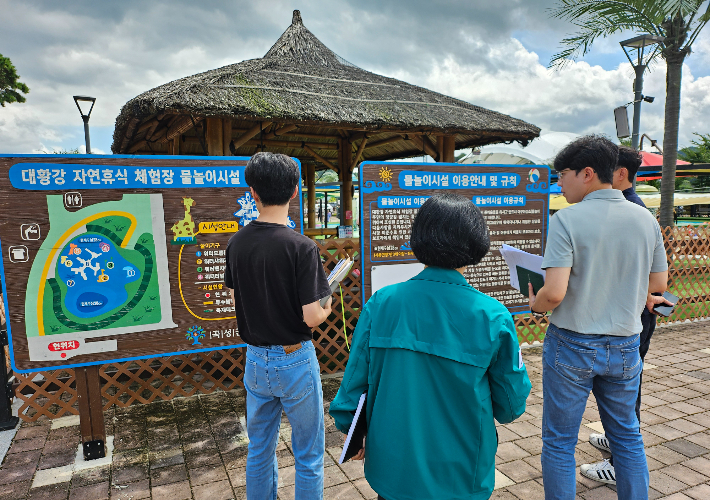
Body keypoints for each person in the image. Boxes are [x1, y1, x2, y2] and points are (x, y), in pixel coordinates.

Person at [330, 193, 531, 500]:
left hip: (392, 469)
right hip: (461, 473)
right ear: (477, 243)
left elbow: (353, 387)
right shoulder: (492, 316)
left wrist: (351, 430)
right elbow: (510, 406)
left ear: (419, 239)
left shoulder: (382, 303)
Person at [528, 136, 669, 500]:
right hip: (625, 345)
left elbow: (554, 293)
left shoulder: (567, 220)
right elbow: (659, 284)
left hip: (572, 345)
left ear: (587, 173)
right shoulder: (644, 218)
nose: (559, 184)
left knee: (559, 442)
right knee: (627, 436)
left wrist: (536, 303)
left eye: (563, 176)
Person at [224, 152, 333, 500]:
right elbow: (312, 317)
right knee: (309, 455)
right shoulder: (301, 247)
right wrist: (328, 303)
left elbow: (232, 296)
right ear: (296, 190)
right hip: (295, 359)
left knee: (259, 449)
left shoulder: (237, 242)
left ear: (252, 192)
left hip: (255, 359)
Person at [581, 145, 672, 485]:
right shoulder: (630, 209)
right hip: (631, 313)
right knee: (622, 385)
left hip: (630, 317)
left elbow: (651, 277)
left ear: (621, 174)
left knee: (624, 387)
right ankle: (616, 437)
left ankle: (619, 462)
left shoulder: (631, 211)